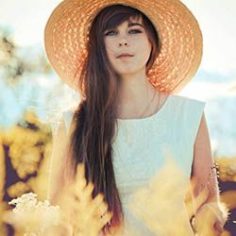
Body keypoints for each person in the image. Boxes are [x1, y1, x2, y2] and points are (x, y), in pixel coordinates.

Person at [44, 0, 227, 235]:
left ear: (153, 42)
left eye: (134, 30)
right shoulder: (73, 123)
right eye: (111, 33)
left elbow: (208, 200)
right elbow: (58, 212)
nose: (123, 40)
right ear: (99, 47)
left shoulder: (189, 115)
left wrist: (211, 218)